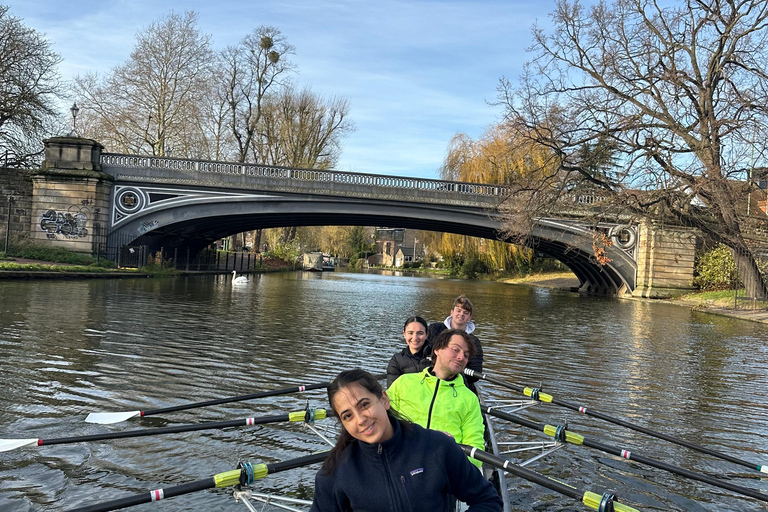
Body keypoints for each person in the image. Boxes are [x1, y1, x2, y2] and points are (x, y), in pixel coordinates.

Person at [310, 369, 502, 512]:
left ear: (384, 400)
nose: (360, 420)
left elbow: (487, 499)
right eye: (348, 416)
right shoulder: (334, 472)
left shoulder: (437, 447)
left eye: (365, 404)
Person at [387, 329, 485, 468]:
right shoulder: (403, 383)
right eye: (455, 350)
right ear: (437, 349)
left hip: (441, 472)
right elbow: (382, 424)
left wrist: (449, 449)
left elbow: (476, 456)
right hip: (398, 465)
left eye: (466, 355)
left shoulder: (470, 399)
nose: (461, 357)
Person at [427, 295, 483, 393]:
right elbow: (424, 353)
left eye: (465, 313)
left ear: (469, 317)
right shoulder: (434, 329)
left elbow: (476, 372)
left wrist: (451, 372)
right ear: (452, 312)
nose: (461, 314)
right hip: (432, 376)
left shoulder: (474, 341)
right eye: (458, 310)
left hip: (458, 384)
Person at [386, 315, 430, 387]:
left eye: (420, 333)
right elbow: (392, 390)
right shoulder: (397, 360)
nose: (415, 338)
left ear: (426, 335)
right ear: (404, 334)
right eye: (410, 333)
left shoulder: (437, 355)